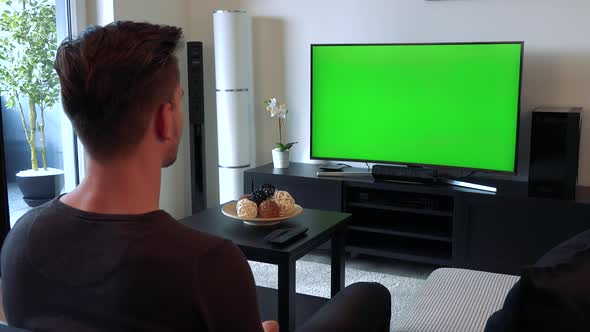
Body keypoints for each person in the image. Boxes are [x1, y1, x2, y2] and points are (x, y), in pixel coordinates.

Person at [0, 21, 391, 332]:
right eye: (180, 102)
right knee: (369, 295)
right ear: (165, 119)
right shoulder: (208, 264)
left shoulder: (22, 239)